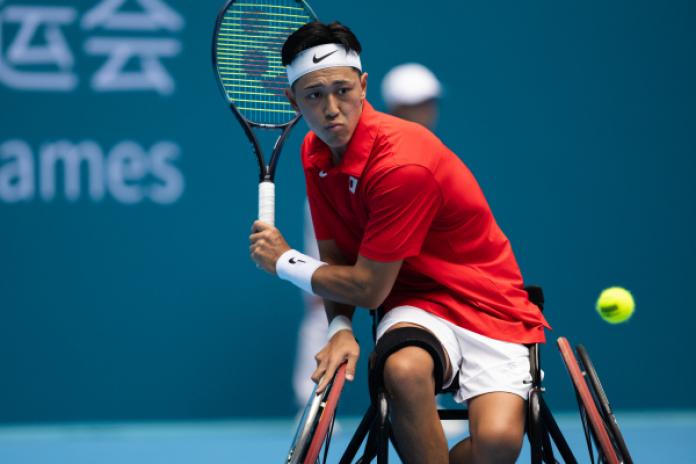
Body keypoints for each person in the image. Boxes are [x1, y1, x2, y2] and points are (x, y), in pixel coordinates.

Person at [249, 21, 550, 464]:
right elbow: (336, 254)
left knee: (498, 446)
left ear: (364, 85)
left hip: (489, 301)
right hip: (413, 302)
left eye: (342, 90)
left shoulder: (403, 163)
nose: (332, 109)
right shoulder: (315, 151)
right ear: (293, 100)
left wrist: (284, 261)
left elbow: (369, 288)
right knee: (403, 370)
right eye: (314, 95)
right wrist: (339, 327)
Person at [291, 62, 443, 411]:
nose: (424, 111)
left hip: (392, 241)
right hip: (346, 207)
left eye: (428, 102)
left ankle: (430, 400)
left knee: (419, 300)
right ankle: (311, 401)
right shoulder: (343, 152)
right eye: (415, 104)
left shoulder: (422, 155)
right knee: (322, 301)